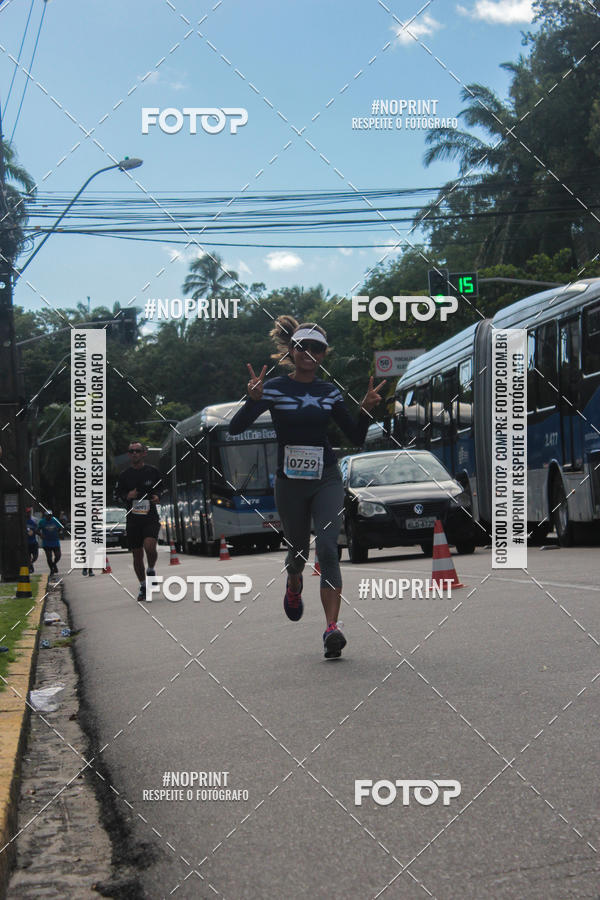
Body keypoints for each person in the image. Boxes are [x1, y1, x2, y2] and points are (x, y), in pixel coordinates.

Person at [229, 317, 385, 659]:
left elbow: (356, 436)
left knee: (328, 548)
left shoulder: (329, 392)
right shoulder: (273, 388)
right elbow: (236, 429)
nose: (308, 353)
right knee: (299, 550)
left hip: (326, 477)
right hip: (290, 483)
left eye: (316, 348)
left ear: (324, 354)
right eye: (302, 347)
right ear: (292, 350)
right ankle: (293, 579)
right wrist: (252, 400)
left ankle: (332, 628)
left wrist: (366, 410)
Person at [115, 441, 162, 601]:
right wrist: (127, 496)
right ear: (129, 454)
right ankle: (143, 585)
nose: (134, 453)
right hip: (133, 519)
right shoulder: (124, 475)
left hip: (150, 517)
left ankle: (151, 569)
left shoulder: (153, 472)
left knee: (149, 546)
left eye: (137, 451)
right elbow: (118, 494)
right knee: (136, 555)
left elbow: (163, 488)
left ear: (144, 453)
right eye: (131, 451)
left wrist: (157, 497)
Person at [37, 509, 63, 575]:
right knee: (49, 557)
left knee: (58, 556)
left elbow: (61, 527)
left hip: (55, 541)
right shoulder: (42, 522)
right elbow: (37, 530)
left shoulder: (55, 520)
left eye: (50, 515)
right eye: (47, 516)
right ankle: (51, 570)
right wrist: (40, 535)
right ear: (45, 516)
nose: (49, 517)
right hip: (46, 542)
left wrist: (59, 532)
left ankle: (54, 564)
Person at [26, 508, 39, 573]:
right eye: (27, 512)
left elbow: (37, 530)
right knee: (28, 557)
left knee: (35, 557)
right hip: (26, 543)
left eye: (29, 512)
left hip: (34, 542)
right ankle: (30, 566)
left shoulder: (34, 520)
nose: (28, 513)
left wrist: (41, 535)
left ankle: (30, 564)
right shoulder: (22, 521)